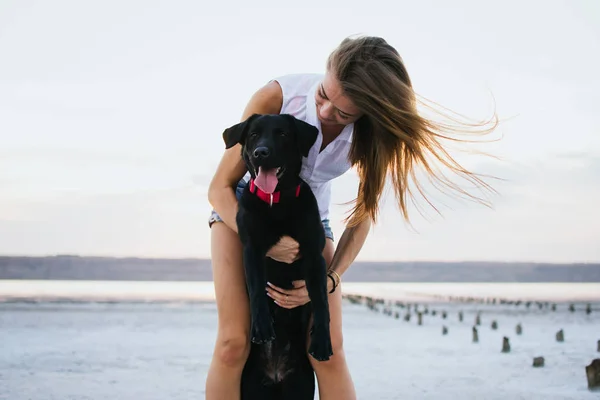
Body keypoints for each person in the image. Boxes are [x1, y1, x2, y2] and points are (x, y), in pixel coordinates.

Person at [205, 35, 498, 399]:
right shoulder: (277, 97)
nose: (327, 113)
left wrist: (330, 279)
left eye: (344, 113)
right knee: (233, 343)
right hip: (244, 210)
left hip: (310, 220)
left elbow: (362, 216)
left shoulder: (373, 136)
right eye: (323, 96)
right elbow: (219, 187)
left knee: (327, 352)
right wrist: (264, 241)